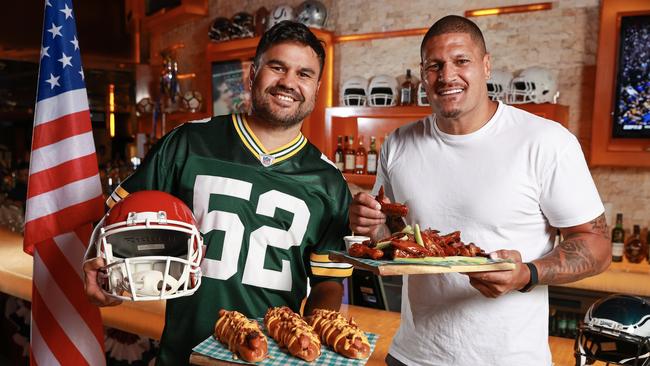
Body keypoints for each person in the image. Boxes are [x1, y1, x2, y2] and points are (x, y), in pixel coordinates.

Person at [83, 21, 353, 365]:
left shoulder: (329, 181)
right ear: (252, 74)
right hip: (186, 350)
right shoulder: (188, 143)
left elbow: (329, 281)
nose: (288, 82)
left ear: (316, 89)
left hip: (271, 358)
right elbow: (115, 219)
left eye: (304, 74)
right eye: (277, 67)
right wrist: (99, 269)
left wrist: (311, 339)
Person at [349, 15, 610, 365]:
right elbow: (394, 234)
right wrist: (369, 223)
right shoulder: (399, 143)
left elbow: (597, 244)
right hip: (413, 355)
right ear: (423, 73)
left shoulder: (546, 141)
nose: (447, 76)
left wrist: (526, 274)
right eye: (434, 65)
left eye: (462, 61)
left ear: (486, 66)